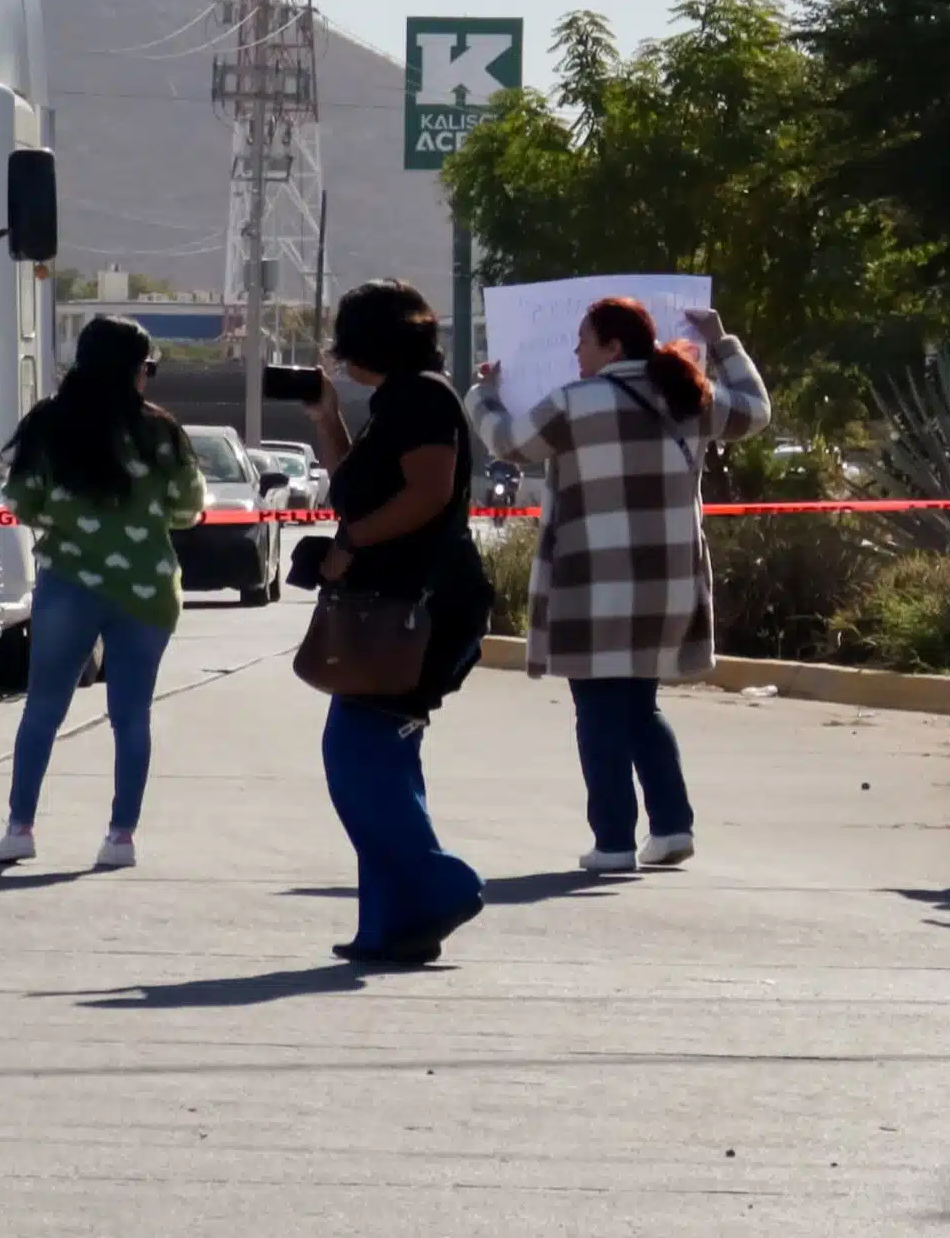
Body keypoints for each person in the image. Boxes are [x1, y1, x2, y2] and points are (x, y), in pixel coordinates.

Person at [471, 298, 773, 875]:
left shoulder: (574, 403)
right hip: (669, 583)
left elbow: (509, 442)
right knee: (638, 706)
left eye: (583, 341)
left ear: (612, 347)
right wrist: (724, 341)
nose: (576, 352)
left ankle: (612, 840)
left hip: (595, 582)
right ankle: (671, 826)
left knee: (598, 710)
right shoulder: (690, 397)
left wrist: (482, 394)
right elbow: (756, 411)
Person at [264, 281, 494, 965]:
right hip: (397, 602)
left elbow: (430, 491)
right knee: (385, 762)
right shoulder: (397, 400)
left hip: (418, 605)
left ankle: (439, 884)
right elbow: (355, 483)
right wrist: (326, 418)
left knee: (358, 758)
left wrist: (351, 544)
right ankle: (393, 926)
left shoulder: (422, 397)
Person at [0, 316, 207, 872]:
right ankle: (121, 837)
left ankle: (20, 828)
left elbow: (21, 504)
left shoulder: (50, 426)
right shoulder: (162, 432)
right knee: (131, 715)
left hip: (68, 583)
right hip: (148, 590)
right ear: (137, 368)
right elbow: (188, 510)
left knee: (43, 708)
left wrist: (73, 522)